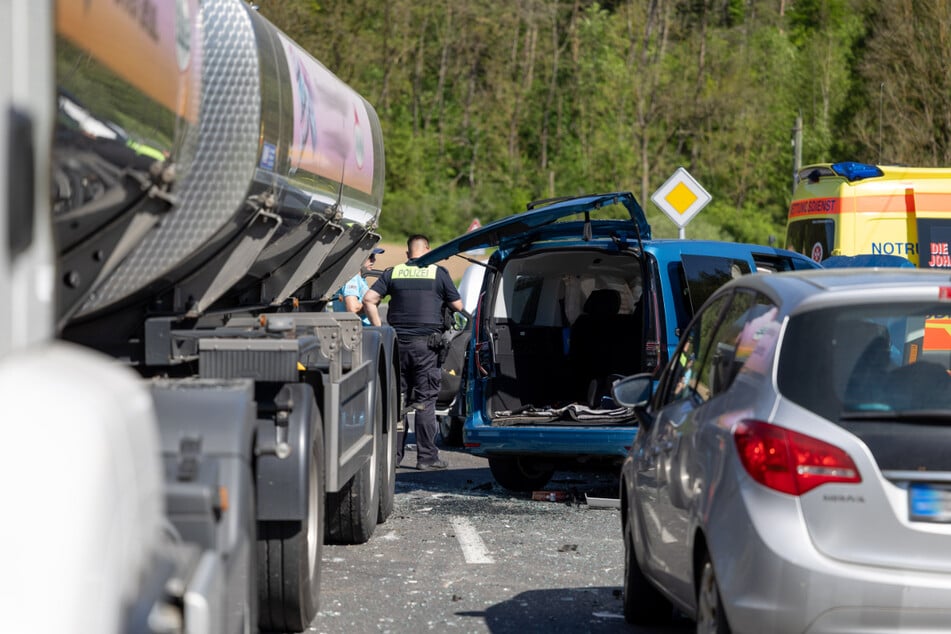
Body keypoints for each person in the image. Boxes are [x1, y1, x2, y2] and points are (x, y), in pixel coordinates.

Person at [363, 235, 463, 470]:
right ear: (428, 251)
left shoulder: (393, 272)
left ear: (408, 254)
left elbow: (369, 299)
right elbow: (459, 306)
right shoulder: (438, 272)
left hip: (398, 345)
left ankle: (393, 458)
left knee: (398, 401)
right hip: (427, 347)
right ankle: (427, 458)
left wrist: (381, 330)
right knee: (425, 402)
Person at [330, 247, 384, 325]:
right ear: (358, 256)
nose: (374, 260)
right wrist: (373, 302)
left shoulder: (359, 278)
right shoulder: (352, 278)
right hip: (359, 331)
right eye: (370, 256)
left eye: (374, 257)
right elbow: (353, 309)